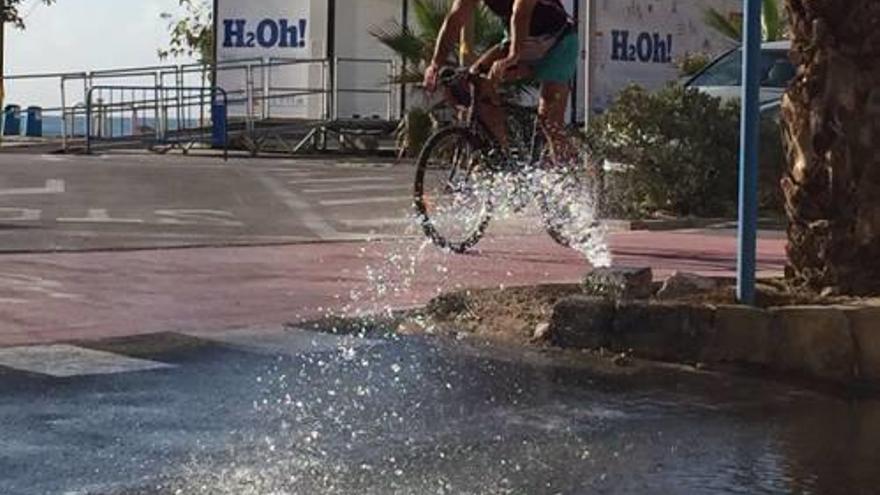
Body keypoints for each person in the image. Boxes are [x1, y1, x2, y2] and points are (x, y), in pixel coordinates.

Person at [423, 0, 579, 165]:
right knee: (476, 79)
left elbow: (521, 12)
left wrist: (513, 57)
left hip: (557, 43)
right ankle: (502, 156)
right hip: (519, 42)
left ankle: (570, 172)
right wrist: (435, 65)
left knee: (550, 121)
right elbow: (455, 19)